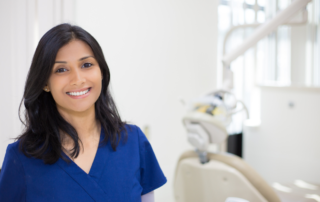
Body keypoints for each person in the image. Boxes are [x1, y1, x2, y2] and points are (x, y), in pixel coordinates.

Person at [0, 23, 166, 202]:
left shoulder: (133, 142)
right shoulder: (21, 158)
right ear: (45, 83)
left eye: (86, 65)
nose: (78, 80)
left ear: (101, 72)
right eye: (61, 69)